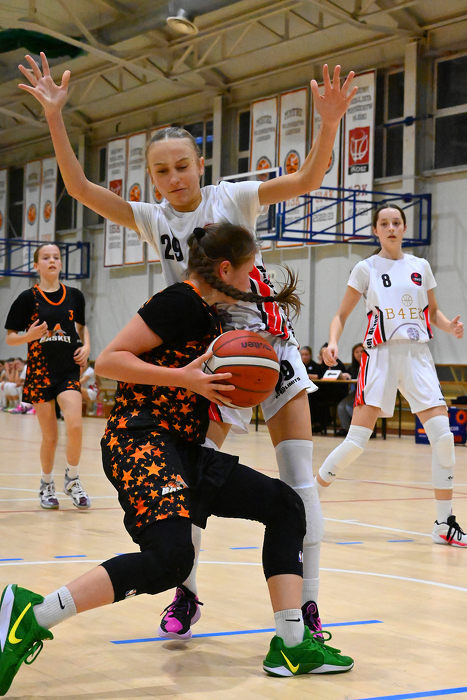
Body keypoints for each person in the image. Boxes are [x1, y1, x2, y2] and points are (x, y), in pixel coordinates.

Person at [18, 52, 358, 637]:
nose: (174, 178)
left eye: (182, 166)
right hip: (209, 361)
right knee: (190, 483)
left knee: (299, 483)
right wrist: (54, 115)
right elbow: (77, 187)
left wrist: (328, 124)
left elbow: (305, 181)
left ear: (201, 164)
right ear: (151, 178)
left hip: (268, 346)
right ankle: (187, 593)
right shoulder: (152, 218)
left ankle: (306, 607)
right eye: (162, 171)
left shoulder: (232, 197)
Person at [0, 224, 354, 696]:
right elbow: (108, 361)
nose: (254, 279)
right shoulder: (179, 301)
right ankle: (31, 614)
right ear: (225, 270)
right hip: (138, 439)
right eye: (249, 270)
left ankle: (292, 644)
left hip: (181, 448)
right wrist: (185, 379)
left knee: (286, 506)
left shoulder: (210, 314)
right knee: (171, 558)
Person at [314, 204, 466, 547]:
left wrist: (449, 327)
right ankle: (308, 501)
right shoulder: (365, 268)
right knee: (356, 442)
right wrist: (333, 342)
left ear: (405, 227)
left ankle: (444, 524)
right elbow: (340, 315)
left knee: (443, 437)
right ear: (376, 230)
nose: (392, 227)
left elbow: (433, 313)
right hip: (380, 356)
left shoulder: (420, 266)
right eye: (385, 223)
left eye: (397, 222)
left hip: (418, 355)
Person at [4, 243, 92, 510]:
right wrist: (28, 336)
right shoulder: (27, 299)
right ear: (36, 265)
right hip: (40, 373)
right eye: (45, 257)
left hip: (67, 371)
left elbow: (81, 327)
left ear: (61, 263)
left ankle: (72, 480)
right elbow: (10, 338)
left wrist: (87, 347)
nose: (52, 260)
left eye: (56, 257)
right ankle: (46, 484)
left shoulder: (75, 295)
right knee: (50, 437)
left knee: (75, 426)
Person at [336, 343, 363, 436]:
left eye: (362, 351)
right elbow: (348, 376)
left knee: (349, 406)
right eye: (356, 352)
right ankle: (347, 429)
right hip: (356, 392)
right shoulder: (352, 367)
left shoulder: (371, 365)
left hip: (367, 393)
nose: (359, 354)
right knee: (341, 406)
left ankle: (361, 429)